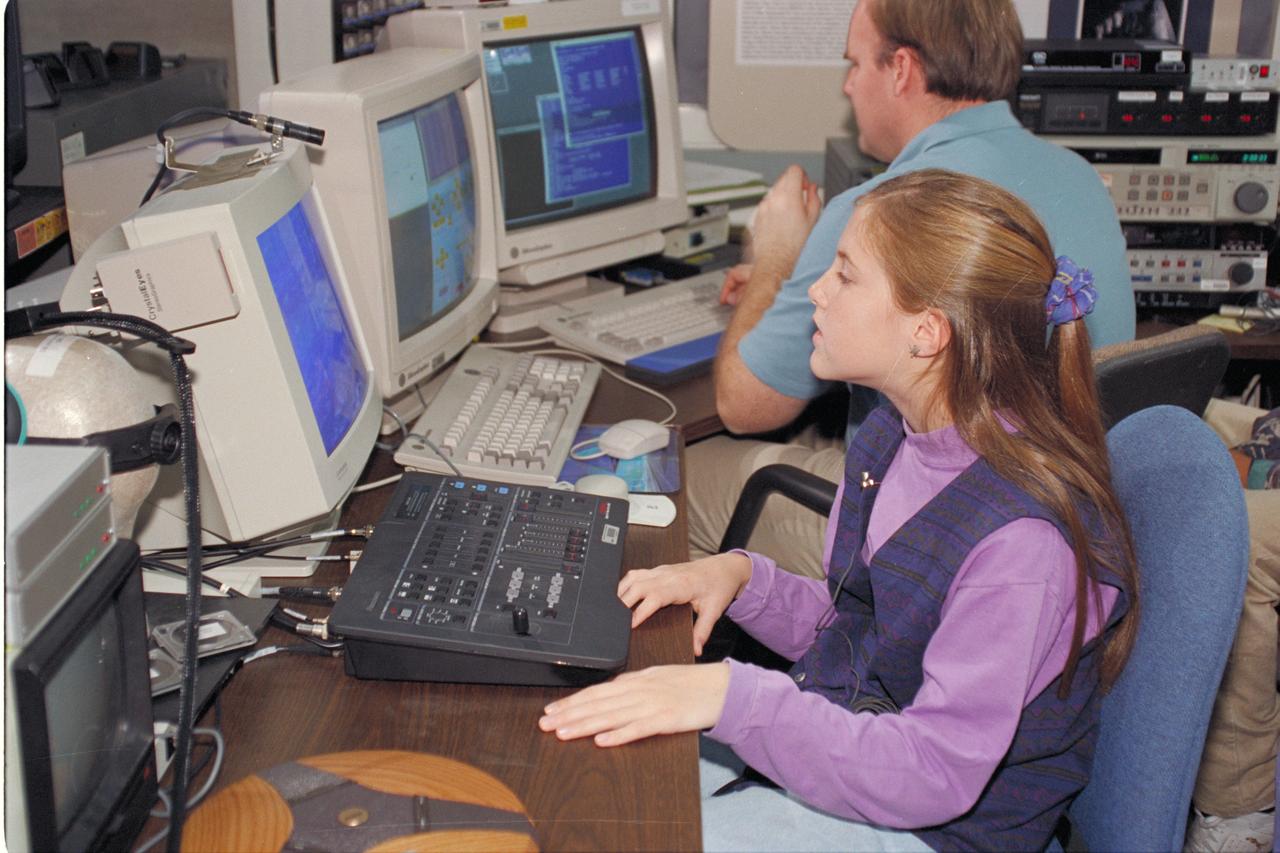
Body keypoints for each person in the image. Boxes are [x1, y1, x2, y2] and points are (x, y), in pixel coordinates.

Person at [539, 170, 1140, 851]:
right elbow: (866, 627)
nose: (818, 291)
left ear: (927, 332)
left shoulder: (1020, 545)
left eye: (846, 276)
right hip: (866, 744)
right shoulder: (895, 435)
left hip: (936, 825)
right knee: (590, 778)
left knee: (617, 830)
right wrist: (742, 579)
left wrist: (734, 698)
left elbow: (935, 771)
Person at [688, 0, 1135, 579]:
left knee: (680, 474)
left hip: (936, 539)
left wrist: (775, 254)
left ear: (900, 69)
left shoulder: (881, 211)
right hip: (1058, 514)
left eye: (855, 65)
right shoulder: (1080, 177)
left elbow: (744, 405)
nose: (849, 87)